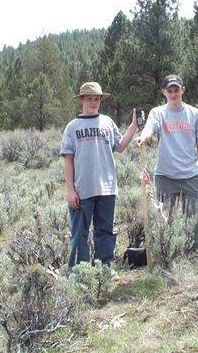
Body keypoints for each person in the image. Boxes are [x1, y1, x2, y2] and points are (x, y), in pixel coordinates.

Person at [60, 82, 141, 269]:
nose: (93, 102)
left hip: (106, 187)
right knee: (79, 233)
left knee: (105, 231)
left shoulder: (107, 122)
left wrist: (134, 126)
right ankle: (80, 272)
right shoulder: (72, 127)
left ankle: (105, 268)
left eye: (97, 99)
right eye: (89, 98)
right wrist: (70, 190)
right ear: (82, 100)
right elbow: (68, 160)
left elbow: (120, 147)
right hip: (82, 190)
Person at [133, 74, 198, 253]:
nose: (174, 94)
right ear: (164, 92)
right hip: (165, 175)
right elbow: (150, 127)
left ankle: (194, 258)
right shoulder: (158, 112)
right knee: (166, 219)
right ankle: (169, 256)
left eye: (177, 90)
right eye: (170, 91)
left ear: (182, 90)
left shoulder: (195, 114)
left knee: (194, 221)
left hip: (190, 175)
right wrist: (143, 137)